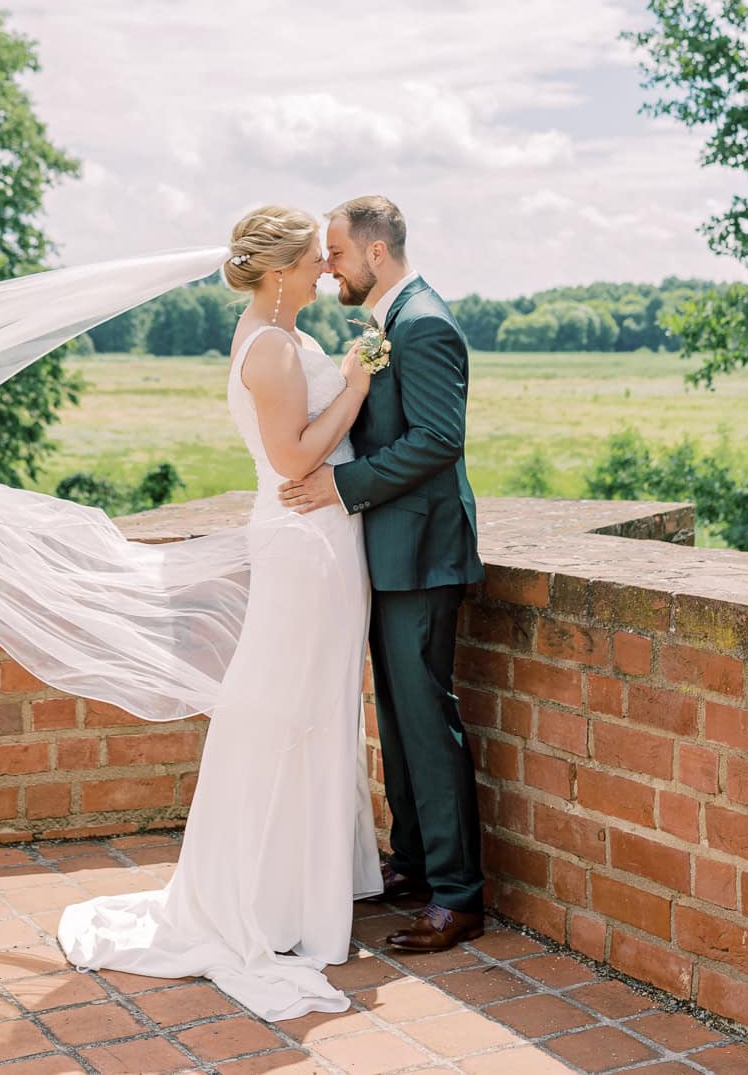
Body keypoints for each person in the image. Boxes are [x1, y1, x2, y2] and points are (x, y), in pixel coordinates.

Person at [57, 205, 383, 1020]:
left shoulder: (282, 334)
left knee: (317, 706)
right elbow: (295, 459)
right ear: (278, 271)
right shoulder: (271, 349)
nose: (324, 269)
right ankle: (264, 901)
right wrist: (356, 383)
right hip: (304, 546)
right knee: (281, 712)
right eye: (313, 259)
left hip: (329, 543)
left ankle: (305, 892)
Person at [279, 195, 486, 954]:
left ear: (376, 250)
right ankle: (415, 864)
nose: (327, 262)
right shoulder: (388, 324)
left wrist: (340, 484)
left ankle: (459, 896)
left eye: (335, 249)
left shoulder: (424, 324)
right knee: (397, 723)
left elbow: (438, 439)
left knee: (429, 724)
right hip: (390, 555)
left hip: (424, 554)